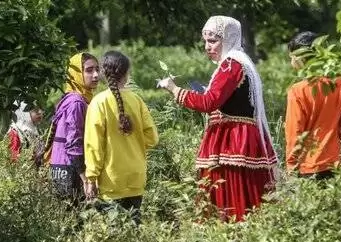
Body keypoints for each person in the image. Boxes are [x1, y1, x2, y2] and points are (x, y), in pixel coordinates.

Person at [157, 15, 277, 221]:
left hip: (233, 139)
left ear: (228, 39)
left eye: (213, 41)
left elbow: (208, 103)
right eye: (205, 41)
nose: (207, 46)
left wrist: (174, 89)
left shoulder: (231, 65)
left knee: (230, 192)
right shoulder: (237, 63)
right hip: (236, 136)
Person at [284, 31, 341, 180]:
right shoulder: (337, 82)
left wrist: (291, 165)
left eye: (292, 57)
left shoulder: (297, 91)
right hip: (335, 162)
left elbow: (294, 132)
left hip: (307, 166)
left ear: (301, 59)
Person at [84, 50, 159, 224]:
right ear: (126, 74)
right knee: (134, 230)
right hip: (135, 177)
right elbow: (153, 138)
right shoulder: (137, 100)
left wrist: (91, 177)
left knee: (114, 236)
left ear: (103, 72)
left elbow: (94, 145)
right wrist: (134, 143)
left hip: (111, 181)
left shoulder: (98, 102)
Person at [45, 52, 100, 204]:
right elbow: (73, 143)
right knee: (75, 219)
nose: (95, 75)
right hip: (71, 170)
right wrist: (86, 179)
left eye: (97, 69)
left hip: (59, 167)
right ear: (76, 73)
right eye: (89, 70)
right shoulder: (77, 102)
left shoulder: (69, 98)